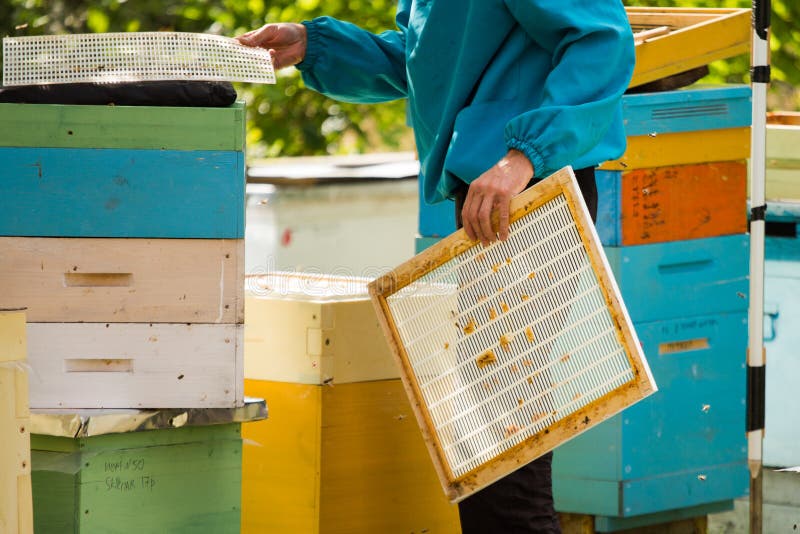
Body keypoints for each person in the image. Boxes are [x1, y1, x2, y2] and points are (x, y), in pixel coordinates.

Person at [239, 2, 634, 532]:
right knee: (489, 433)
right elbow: (427, 56)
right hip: (492, 190)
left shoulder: (522, 161)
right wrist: (318, 45)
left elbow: (602, 42)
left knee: (502, 440)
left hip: (525, 186)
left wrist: (523, 157)